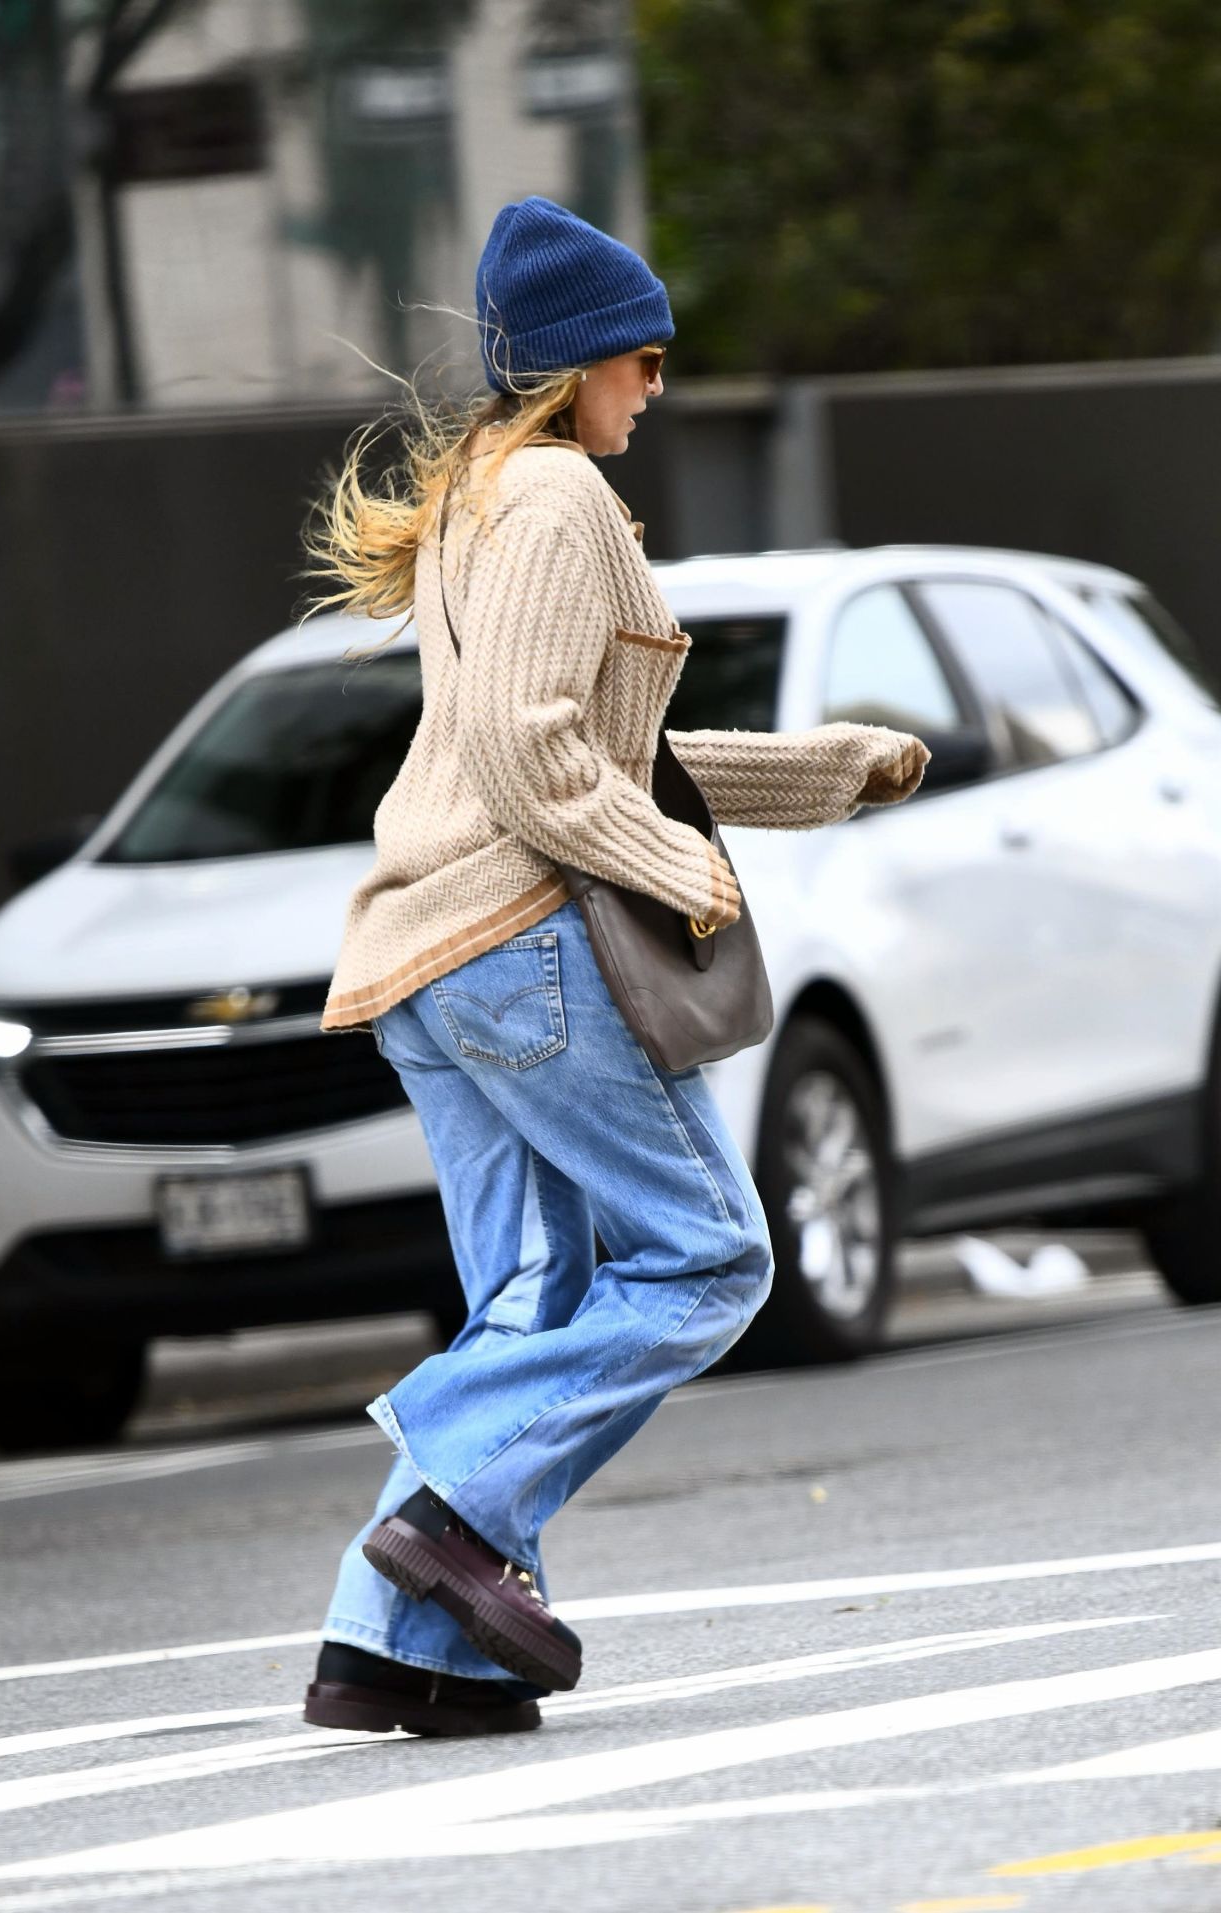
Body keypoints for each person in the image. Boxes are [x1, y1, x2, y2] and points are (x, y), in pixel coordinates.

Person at [302, 196, 930, 1740]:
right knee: (716, 1255)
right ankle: (454, 1504)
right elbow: (537, 766)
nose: (655, 385)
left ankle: (389, 1649)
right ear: (577, 363)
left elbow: (605, 751)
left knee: (532, 1295)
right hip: (517, 948)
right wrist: (688, 875)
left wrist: (825, 769)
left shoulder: (482, 499)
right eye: (642, 360)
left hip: (427, 959)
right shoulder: (558, 500)